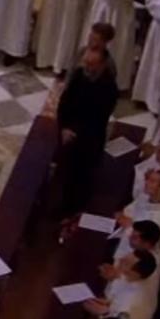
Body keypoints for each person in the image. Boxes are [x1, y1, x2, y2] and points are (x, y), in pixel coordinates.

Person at [55, 39, 121, 213]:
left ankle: (74, 209)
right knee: (64, 171)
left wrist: (74, 131)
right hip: (68, 131)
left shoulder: (108, 88)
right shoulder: (79, 75)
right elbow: (65, 102)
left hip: (89, 138)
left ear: (101, 65)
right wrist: (64, 127)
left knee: (82, 175)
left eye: (91, 65)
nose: (87, 68)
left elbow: (97, 118)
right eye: (85, 63)